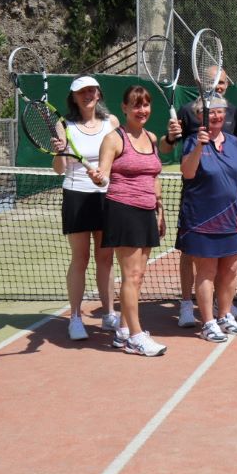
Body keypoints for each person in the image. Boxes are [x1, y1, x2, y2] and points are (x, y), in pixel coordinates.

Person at [159, 66, 237, 327]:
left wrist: (234, 163)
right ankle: (187, 304)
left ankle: (224, 308)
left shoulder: (231, 111)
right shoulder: (188, 110)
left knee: (227, 263)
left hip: (227, 201)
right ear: (202, 82)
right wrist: (171, 135)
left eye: (222, 82)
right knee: (191, 255)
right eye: (214, 82)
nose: (218, 86)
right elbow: (167, 147)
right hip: (197, 197)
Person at [176, 96, 237, 342]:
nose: (217, 117)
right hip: (200, 219)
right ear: (200, 116)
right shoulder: (192, 141)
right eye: (211, 113)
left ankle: (225, 315)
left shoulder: (233, 142)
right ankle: (208, 322)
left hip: (231, 219)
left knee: (230, 270)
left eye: (220, 112)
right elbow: (187, 173)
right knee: (207, 272)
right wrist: (200, 146)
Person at [96, 85, 167, 356]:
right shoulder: (114, 139)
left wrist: (160, 210)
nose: (142, 110)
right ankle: (136, 336)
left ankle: (123, 330)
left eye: (146, 105)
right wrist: (99, 176)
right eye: (136, 105)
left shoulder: (151, 137)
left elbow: (154, 177)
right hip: (122, 209)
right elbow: (103, 172)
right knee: (131, 275)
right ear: (124, 108)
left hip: (147, 210)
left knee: (139, 277)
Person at [52, 75, 120, 340]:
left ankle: (109, 314)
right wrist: (60, 151)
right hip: (76, 195)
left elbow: (118, 157)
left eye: (92, 90)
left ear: (99, 94)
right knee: (80, 259)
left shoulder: (111, 123)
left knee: (106, 259)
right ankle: (76, 318)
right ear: (74, 97)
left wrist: (105, 175)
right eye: (82, 92)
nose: (88, 95)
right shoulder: (64, 125)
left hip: (106, 196)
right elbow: (60, 169)